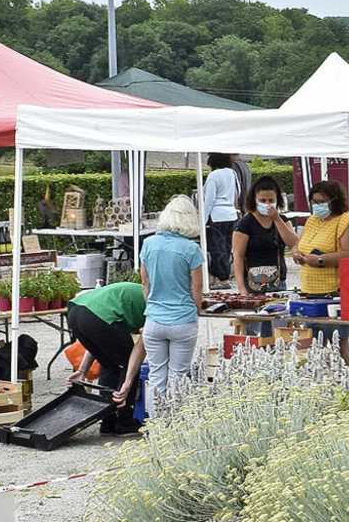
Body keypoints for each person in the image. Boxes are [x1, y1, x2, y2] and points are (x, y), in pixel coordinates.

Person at [140, 196, 204, 410]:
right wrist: (196, 310)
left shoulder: (148, 244)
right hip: (182, 319)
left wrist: (152, 306)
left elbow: (145, 282)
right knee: (178, 376)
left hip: (154, 319)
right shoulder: (191, 249)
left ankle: (155, 427)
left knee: (156, 375)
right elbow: (197, 287)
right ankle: (174, 428)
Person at [291, 180, 349, 364]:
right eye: (314, 201)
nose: (317, 205)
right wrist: (296, 252)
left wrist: (320, 260)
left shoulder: (346, 221)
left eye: (322, 201)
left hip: (333, 292)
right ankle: (322, 380)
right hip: (310, 292)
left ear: (334, 200)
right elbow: (300, 243)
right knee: (314, 343)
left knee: (339, 341)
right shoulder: (312, 220)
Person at [67, 281, 146, 434]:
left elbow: (101, 337)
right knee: (130, 363)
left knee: (109, 364)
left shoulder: (133, 296)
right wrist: (128, 381)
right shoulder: (157, 304)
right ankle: (125, 422)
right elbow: (140, 348)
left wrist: (82, 370)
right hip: (97, 317)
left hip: (76, 313)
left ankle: (108, 422)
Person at [231, 176, 299, 335]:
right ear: (254, 200)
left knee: (278, 332)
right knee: (253, 333)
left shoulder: (282, 220)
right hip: (252, 284)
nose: (267, 204)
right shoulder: (246, 223)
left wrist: (276, 218)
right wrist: (242, 289)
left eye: (271, 200)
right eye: (263, 200)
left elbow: (295, 244)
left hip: (277, 283)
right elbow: (238, 256)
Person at [200, 153, 238, 289]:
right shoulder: (232, 173)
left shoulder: (213, 176)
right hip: (231, 214)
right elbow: (235, 195)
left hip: (216, 216)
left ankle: (223, 279)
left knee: (217, 249)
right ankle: (213, 277)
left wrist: (203, 220)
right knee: (226, 248)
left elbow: (209, 200)